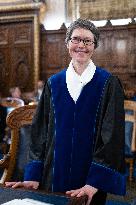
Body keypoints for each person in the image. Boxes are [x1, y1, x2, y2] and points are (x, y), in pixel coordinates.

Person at [5, 18, 126, 205]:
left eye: (88, 41)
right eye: (76, 39)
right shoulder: (54, 84)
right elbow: (39, 133)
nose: (81, 45)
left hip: (89, 182)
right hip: (51, 176)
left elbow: (112, 138)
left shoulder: (108, 84)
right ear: (67, 43)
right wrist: (34, 175)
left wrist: (95, 182)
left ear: (95, 45)